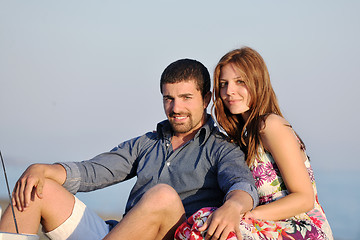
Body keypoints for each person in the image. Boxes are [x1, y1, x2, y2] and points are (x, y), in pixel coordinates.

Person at [0, 58, 259, 240]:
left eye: (186, 98)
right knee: (36, 188)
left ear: (206, 99)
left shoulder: (221, 149)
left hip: (171, 236)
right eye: (169, 98)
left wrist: (233, 207)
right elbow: (93, 171)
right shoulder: (147, 143)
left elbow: (242, 185)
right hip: (118, 233)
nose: (176, 108)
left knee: (163, 196)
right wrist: (42, 169)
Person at [175, 47, 333, 240]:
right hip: (264, 224)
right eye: (223, 84)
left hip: (299, 225)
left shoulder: (271, 125)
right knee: (201, 222)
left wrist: (248, 216)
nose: (229, 91)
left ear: (257, 81)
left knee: (221, 229)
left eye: (239, 81)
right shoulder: (241, 137)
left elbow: (304, 198)